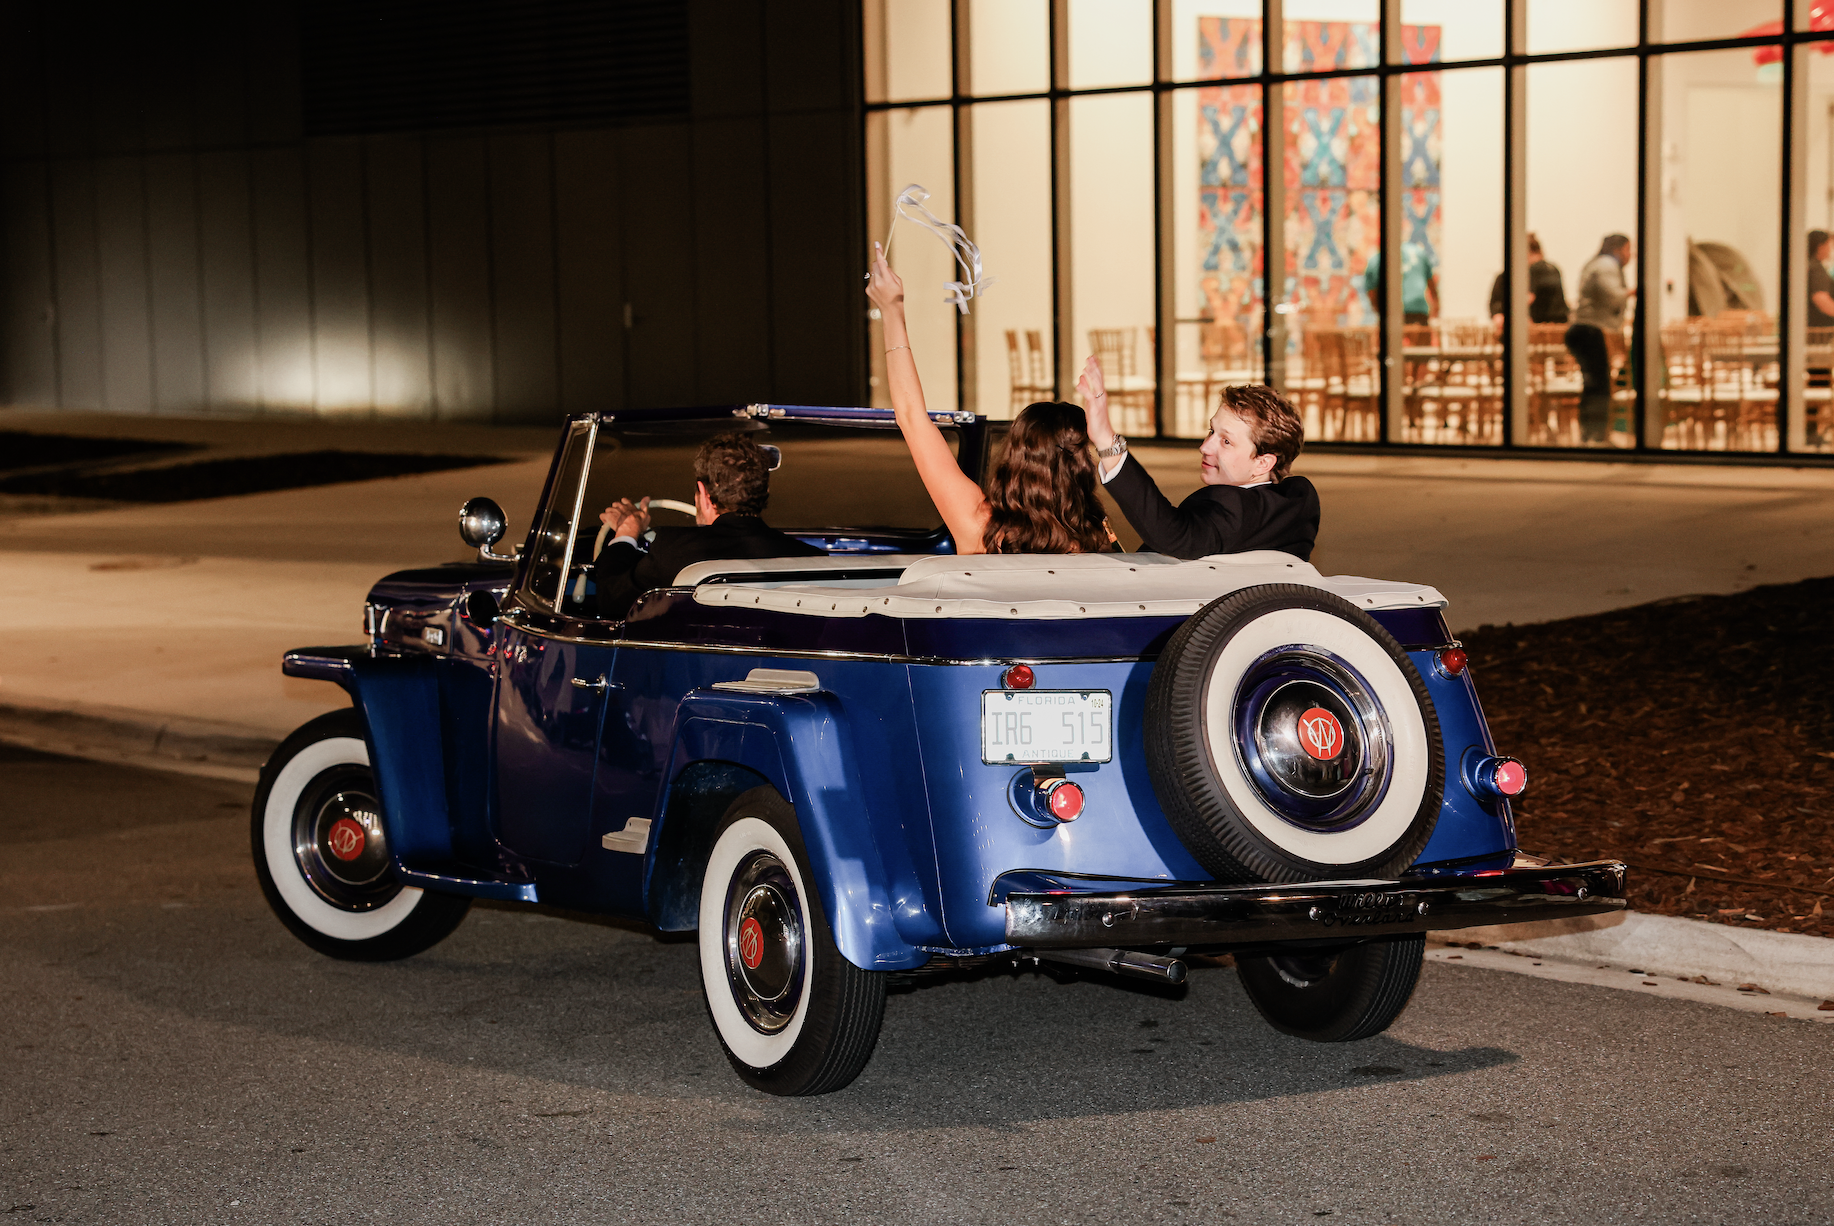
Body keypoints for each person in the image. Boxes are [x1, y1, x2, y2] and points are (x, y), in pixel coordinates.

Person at [865, 244, 1112, 554]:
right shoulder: (1094, 535)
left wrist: (892, 310)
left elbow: (912, 418)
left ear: (1015, 456)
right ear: (1081, 467)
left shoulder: (979, 525)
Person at [1082, 356, 1319, 561]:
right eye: (1211, 431)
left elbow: (1173, 534)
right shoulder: (1298, 499)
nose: (1205, 447)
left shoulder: (1235, 510)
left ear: (1263, 463)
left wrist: (1106, 440)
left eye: (1226, 441)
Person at [592, 432, 823, 619]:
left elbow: (611, 602)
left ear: (703, 493)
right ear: (766, 490)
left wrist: (626, 534)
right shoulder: (811, 560)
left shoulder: (672, 550)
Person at [1566, 233, 1634, 444]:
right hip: (1590, 330)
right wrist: (1634, 291)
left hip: (1585, 329)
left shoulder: (1598, 263)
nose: (1630, 255)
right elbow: (1612, 294)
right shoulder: (1606, 265)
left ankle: (1591, 433)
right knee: (1598, 385)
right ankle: (1596, 435)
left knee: (1594, 385)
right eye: (1628, 250)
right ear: (1618, 249)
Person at [1488, 232, 1569, 335]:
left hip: (1540, 332)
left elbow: (1527, 298)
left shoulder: (1536, 269)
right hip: (1553, 330)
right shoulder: (1552, 269)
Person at [1362, 242, 1439, 324]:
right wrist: (1435, 310)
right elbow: (1432, 286)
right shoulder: (1418, 252)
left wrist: (1380, 313)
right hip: (1418, 310)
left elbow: (1372, 294)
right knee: (1419, 334)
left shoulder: (1375, 259)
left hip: (1392, 312)